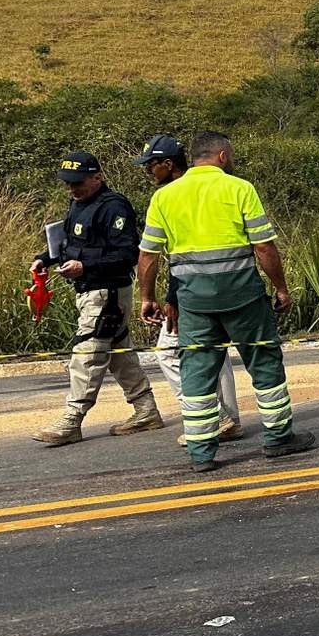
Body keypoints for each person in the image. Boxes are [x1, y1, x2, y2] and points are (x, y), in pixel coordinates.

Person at [137, 131, 316, 473]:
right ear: (221, 157)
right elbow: (264, 247)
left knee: (197, 371)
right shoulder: (239, 188)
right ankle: (278, 438)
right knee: (263, 360)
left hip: (193, 302)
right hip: (243, 297)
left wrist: (147, 297)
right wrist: (281, 288)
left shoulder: (165, 197)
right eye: (229, 155)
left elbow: (148, 254)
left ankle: (201, 452)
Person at [33, 152, 163, 446]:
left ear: (97, 177)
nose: (72, 189)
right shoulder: (77, 205)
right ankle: (146, 410)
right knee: (119, 353)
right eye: (68, 184)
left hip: (107, 293)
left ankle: (72, 419)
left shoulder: (114, 207)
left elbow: (129, 254)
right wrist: (44, 260)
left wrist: (86, 267)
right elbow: (67, 244)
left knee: (87, 354)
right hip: (88, 291)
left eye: (78, 183)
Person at [134, 135, 242, 443]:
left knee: (169, 351)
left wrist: (165, 297)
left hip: (191, 288)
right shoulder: (217, 186)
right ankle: (228, 418)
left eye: (151, 166)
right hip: (227, 280)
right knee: (215, 348)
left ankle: (210, 416)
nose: (148, 172)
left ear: (168, 165)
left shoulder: (170, 195)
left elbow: (160, 253)